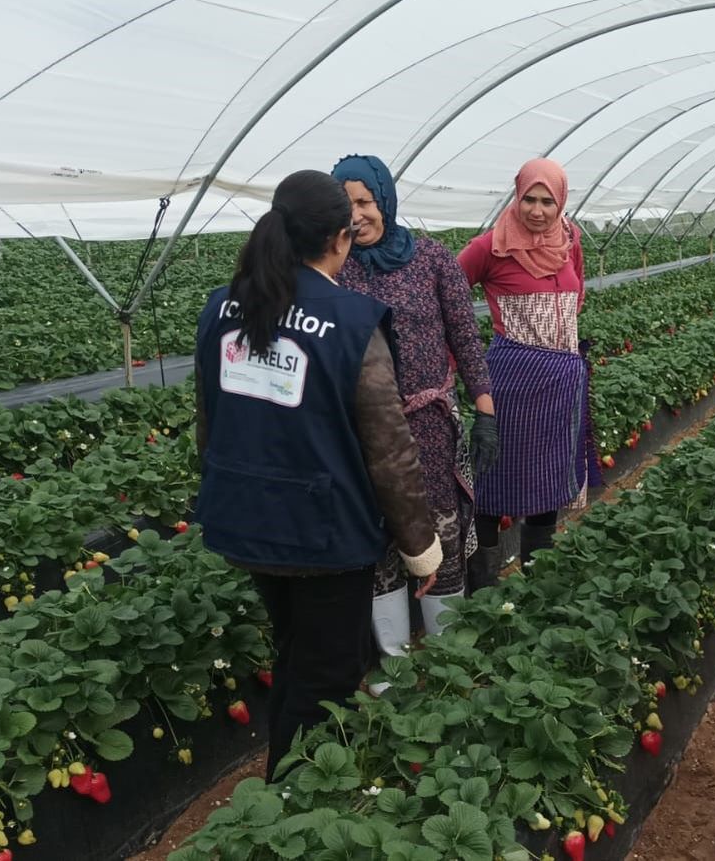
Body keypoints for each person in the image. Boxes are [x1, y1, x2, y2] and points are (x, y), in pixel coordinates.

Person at [193, 169, 442, 780]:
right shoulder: (350, 321)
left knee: (298, 655)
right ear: (341, 238)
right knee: (328, 676)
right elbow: (389, 450)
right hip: (322, 532)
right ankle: (291, 801)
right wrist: (421, 548)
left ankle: (284, 786)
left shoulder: (224, 306)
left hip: (250, 521)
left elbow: (210, 418)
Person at [331, 155, 496, 667]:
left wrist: (485, 410)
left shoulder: (430, 258)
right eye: (345, 204)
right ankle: (392, 666)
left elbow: (465, 339)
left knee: (438, 530)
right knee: (380, 539)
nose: (356, 214)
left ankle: (450, 657)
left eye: (364, 202)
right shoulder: (333, 266)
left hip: (429, 426)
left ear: (385, 200)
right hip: (366, 432)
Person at [457, 158, 598, 591]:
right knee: (491, 485)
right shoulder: (491, 246)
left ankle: (538, 588)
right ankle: (483, 588)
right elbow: (449, 293)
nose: (537, 211)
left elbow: (577, 298)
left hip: (559, 387)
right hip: (510, 384)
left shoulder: (570, 240)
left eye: (547, 201)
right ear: (516, 197)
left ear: (561, 203)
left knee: (547, 487)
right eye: (529, 199)